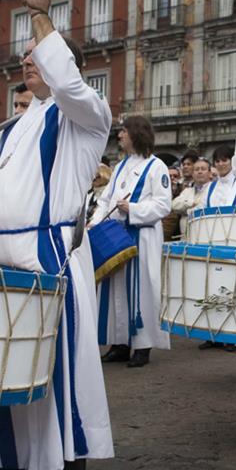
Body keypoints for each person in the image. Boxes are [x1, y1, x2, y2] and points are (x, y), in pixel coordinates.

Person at [0, 0, 112, 470]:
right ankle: (1, 463)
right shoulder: (13, 127)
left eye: (38, 54)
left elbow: (64, 80)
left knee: (54, 363)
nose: (27, 59)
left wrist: (41, 14)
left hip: (49, 249)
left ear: (65, 63)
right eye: (25, 55)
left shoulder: (86, 114)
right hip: (0, 251)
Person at [91, 116, 172, 368]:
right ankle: (120, 342)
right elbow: (105, 200)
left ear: (136, 133)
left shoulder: (156, 166)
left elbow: (163, 204)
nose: (120, 135)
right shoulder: (120, 166)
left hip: (142, 235)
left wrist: (133, 208)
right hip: (116, 236)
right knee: (116, 289)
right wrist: (93, 222)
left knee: (142, 289)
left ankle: (142, 345)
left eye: (124, 131)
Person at [170, 156, 213, 239]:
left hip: (206, 237)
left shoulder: (214, 191)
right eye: (196, 170)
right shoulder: (187, 191)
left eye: (203, 169)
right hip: (185, 238)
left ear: (210, 173)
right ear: (193, 174)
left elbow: (204, 210)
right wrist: (191, 203)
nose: (199, 172)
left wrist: (185, 210)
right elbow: (174, 205)